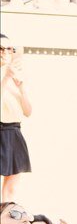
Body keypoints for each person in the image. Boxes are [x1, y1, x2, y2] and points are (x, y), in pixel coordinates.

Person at [1, 34, 33, 201]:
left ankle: (6, 220)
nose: (5, 52)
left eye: (9, 49)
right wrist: (5, 78)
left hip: (14, 131)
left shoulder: (18, 75)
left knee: (11, 187)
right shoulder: (5, 76)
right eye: (1, 48)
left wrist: (21, 88)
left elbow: (28, 111)